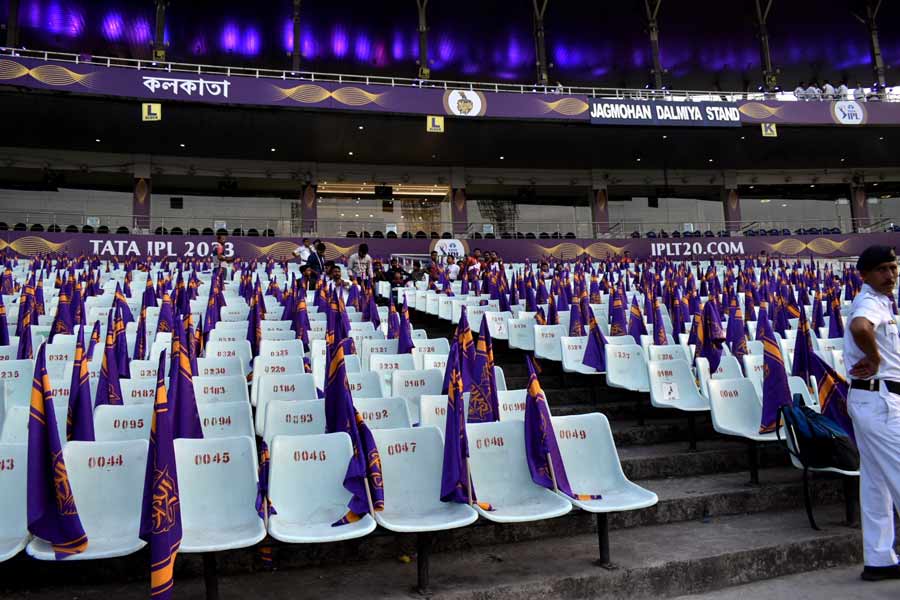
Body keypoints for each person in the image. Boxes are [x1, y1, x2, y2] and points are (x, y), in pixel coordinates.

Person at [844, 245, 900, 581]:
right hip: (879, 402)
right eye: (882, 269)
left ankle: (879, 560)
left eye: (893, 267)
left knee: (876, 483)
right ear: (863, 275)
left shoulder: (882, 301)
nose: (890, 275)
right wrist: (876, 359)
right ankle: (880, 558)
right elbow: (860, 328)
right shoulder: (868, 302)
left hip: (872, 401)